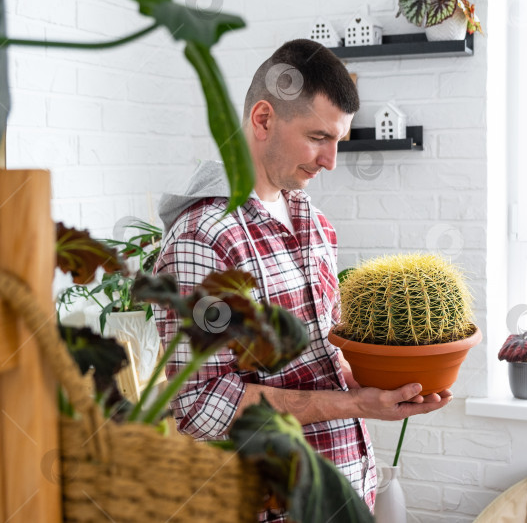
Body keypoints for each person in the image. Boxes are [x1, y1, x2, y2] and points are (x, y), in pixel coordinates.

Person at [154, 38, 452, 521]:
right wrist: (354, 402)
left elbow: (316, 365)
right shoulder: (203, 239)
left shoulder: (312, 220)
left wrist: (385, 390)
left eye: (338, 140)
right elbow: (198, 405)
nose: (331, 160)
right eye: (318, 138)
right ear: (264, 119)